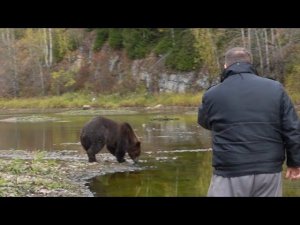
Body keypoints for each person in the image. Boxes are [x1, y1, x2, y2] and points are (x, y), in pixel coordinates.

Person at [198, 47, 300, 197]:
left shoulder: (213, 94)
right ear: (251, 64)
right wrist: (295, 162)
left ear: (226, 66)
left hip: (230, 169)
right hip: (268, 169)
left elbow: (204, 122)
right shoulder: (275, 88)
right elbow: (292, 128)